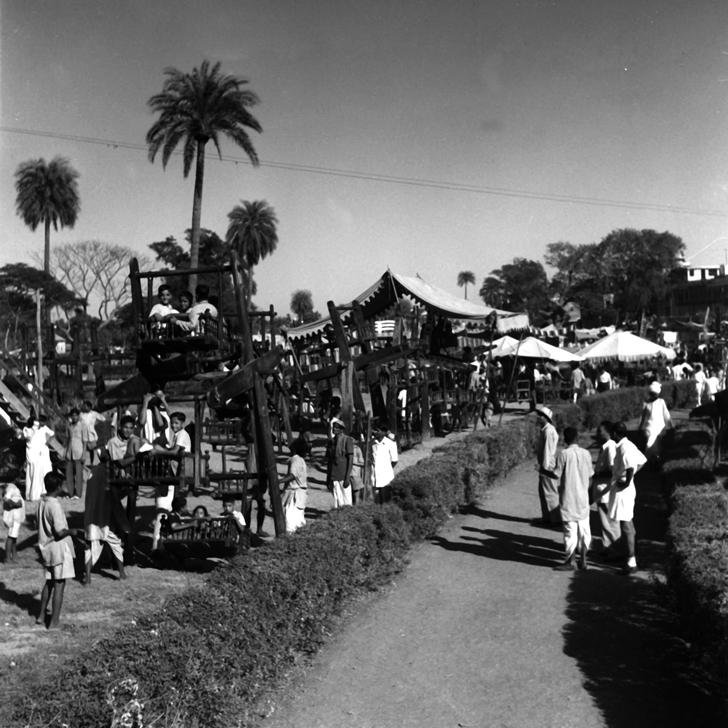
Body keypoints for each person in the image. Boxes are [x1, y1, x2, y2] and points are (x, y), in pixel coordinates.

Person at [37, 472, 80, 628]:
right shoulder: (54, 505)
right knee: (59, 586)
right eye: (63, 484)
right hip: (59, 550)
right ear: (58, 487)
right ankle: (54, 622)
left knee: (49, 582)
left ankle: (41, 615)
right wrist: (72, 532)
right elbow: (60, 532)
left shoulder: (43, 501)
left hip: (47, 548)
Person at [83, 454, 129, 584]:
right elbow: (114, 494)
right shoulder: (109, 473)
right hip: (103, 517)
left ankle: (88, 577)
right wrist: (128, 489)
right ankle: (122, 573)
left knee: (90, 546)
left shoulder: (93, 471)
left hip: (91, 515)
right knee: (116, 543)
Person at [552, 427, 594, 571]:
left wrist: (543, 470)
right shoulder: (586, 454)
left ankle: (570, 561)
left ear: (565, 439)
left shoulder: (563, 454)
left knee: (570, 532)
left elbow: (556, 475)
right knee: (584, 530)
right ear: (577, 438)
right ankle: (583, 560)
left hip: (569, 498)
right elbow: (590, 476)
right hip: (583, 498)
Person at [610, 422, 647, 575]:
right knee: (629, 525)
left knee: (626, 526)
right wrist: (629, 479)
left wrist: (626, 481)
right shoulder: (628, 445)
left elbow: (631, 467)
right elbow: (642, 460)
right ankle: (631, 556)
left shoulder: (624, 448)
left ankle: (631, 562)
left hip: (623, 491)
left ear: (615, 434)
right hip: (625, 489)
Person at [151, 412, 191, 551]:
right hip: (176, 472)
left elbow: (174, 452)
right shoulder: (176, 435)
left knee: (173, 505)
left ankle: (166, 542)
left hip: (181, 471)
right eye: (172, 423)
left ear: (182, 424)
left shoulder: (182, 435)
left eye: (176, 423)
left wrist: (159, 451)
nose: (174, 425)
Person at [592, 421, 620, 558]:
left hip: (606, 491)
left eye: (600, 431)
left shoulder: (610, 447)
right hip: (602, 491)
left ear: (608, 432)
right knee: (605, 522)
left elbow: (613, 470)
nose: (597, 434)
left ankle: (614, 551)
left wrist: (597, 474)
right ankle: (607, 548)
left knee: (610, 523)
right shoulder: (605, 447)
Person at [535, 406, 560, 526]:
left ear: (545, 418)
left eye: (540, 415)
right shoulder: (545, 430)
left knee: (550, 493)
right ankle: (547, 517)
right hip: (545, 466)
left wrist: (544, 468)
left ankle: (555, 519)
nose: (538, 417)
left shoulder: (549, 431)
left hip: (548, 467)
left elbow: (548, 451)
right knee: (543, 492)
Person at [638, 381, 672, 463]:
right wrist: (640, 427)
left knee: (658, 445)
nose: (654, 396)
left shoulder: (661, 402)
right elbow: (642, 416)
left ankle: (656, 460)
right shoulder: (646, 403)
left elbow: (666, 414)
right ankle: (649, 460)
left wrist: (670, 425)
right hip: (649, 427)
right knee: (649, 443)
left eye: (655, 394)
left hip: (660, 427)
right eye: (652, 394)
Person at [23, 416, 54, 501]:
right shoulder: (27, 429)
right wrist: (34, 428)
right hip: (31, 454)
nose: (38, 423)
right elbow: (28, 436)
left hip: (39, 454)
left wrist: (47, 442)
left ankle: (37, 493)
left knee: (38, 474)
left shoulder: (42, 428)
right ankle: (31, 494)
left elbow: (51, 433)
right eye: (36, 421)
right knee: (31, 474)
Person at [326, 417, 354, 508]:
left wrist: (347, 477)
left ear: (342, 429)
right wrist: (328, 478)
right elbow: (329, 461)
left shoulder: (347, 440)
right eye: (333, 427)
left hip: (343, 476)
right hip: (334, 475)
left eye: (337, 427)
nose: (334, 429)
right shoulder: (331, 442)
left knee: (347, 501)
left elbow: (350, 459)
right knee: (337, 501)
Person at [283, 438, 308, 534]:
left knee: (291, 521)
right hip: (300, 494)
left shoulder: (295, 459)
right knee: (298, 519)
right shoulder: (301, 460)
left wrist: (279, 481)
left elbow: (292, 475)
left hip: (295, 494)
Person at [372, 423, 399, 504]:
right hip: (375, 476)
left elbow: (394, 460)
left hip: (386, 476)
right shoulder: (372, 443)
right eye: (374, 430)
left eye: (377, 430)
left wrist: (387, 469)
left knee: (386, 499)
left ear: (383, 432)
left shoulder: (390, 443)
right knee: (377, 500)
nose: (375, 432)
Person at [63, 408, 85, 500]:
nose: (74, 417)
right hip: (69, 452)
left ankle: (78, 493)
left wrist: (84, 454)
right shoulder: (69, 426)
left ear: (78, 416)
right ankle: (71, 493)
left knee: (79, 474)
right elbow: (68, 439)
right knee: (69, 473)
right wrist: (65, 452)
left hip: (79, 451)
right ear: (71, 416)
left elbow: (85, 441)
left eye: (76, 415)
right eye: (73, 415)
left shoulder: (83, 425)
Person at [2, 481, 24, 562]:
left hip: (16, 517)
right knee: (11, 537)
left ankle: (14, 555)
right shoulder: (11, 488)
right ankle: (7, 558)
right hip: (14, 517)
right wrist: (15, 504)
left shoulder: (11, 487)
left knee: (14, 537)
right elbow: (5, 498)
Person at [79, 400, 106, 465]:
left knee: (92, 449)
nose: (83, 407)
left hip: (91, 434)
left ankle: (92, 462)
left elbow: (103, 419)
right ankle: (83, 462)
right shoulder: (81, 414)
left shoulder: (94, 413)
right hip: (82, 433)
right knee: (83, 448)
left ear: (89, 407)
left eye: (85, 406)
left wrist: (95, 423)